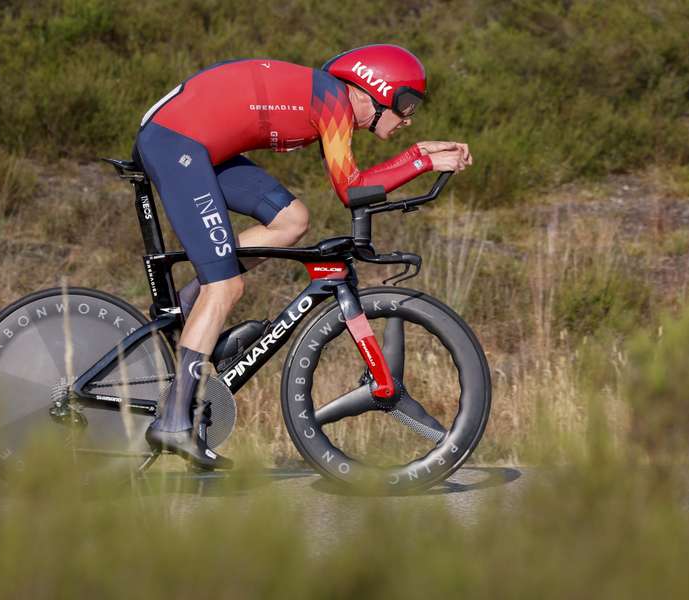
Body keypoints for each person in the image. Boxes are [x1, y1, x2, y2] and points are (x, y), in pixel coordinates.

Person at [135, 44, 473, 469]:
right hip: (176, 142)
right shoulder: (332, 100)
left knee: (293, 220)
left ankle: (190, 307)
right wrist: (419, 158)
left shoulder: (328, 100)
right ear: (375, 88)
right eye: (406, 104)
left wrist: (419, 155)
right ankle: (172, 421)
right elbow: (351, 189)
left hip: (198, 146)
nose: (408, 117)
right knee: (226, 286)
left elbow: (352, 183)